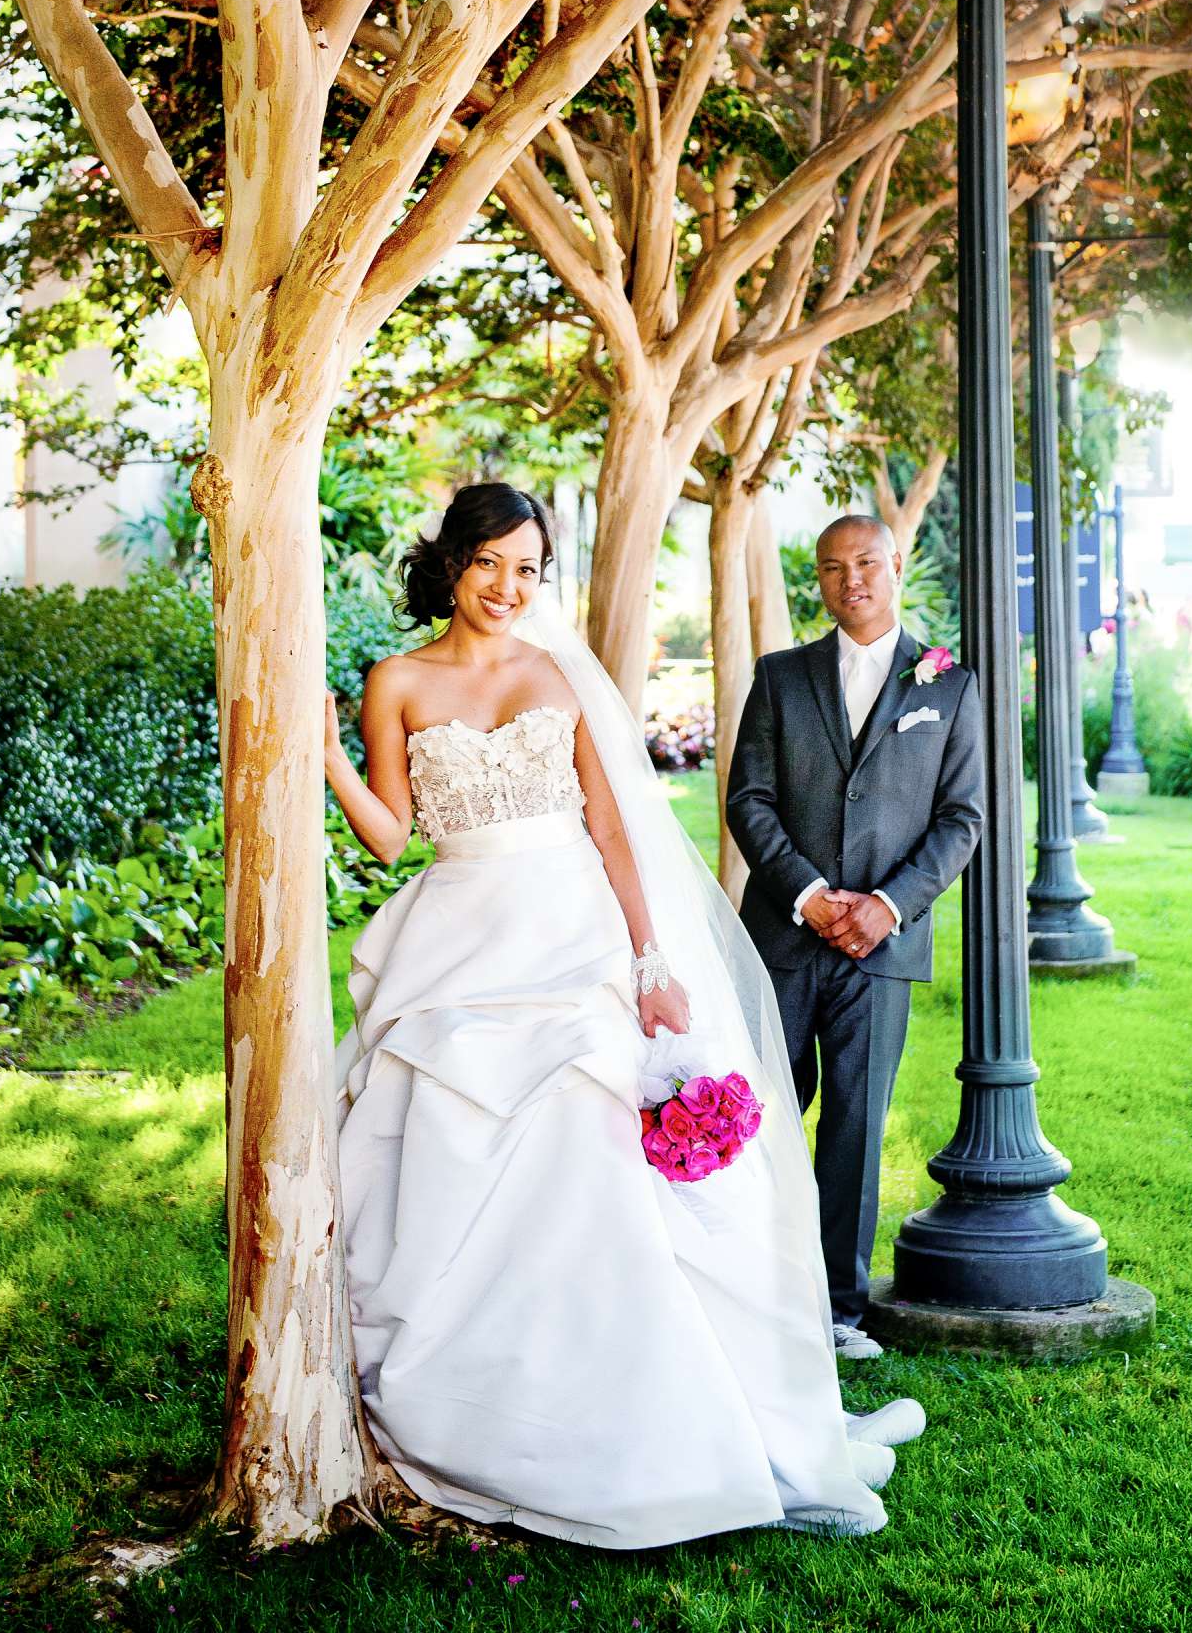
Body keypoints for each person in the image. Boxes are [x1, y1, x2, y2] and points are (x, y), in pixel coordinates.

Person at [325, 481, 926, 1550]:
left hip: (576, 938)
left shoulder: (554, 673)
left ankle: (680, 1416)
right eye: (490, 564)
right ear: (452, 562)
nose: (509, 588)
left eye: (528, 568)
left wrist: (649, 958)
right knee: (453, 1164)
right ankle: (493, 1398)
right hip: (459, 940)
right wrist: (323, 753)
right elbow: (386, 833)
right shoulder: (396, 680)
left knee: (598, 1165)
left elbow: (609, 826)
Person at [726, 514, 983, 1360]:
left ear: (896, 563)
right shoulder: (781, 676)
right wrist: (807, 893)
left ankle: (837, 1307)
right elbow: (748, 800)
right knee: (758, 1113)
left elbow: (961, 818)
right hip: (785, 938)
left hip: (884, 946)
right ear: (821, 581)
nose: (851, 580)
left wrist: (887, 904)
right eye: (833, 569)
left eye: (866, 562)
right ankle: (741, 1279)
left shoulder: (950, 685)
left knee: (854, 1126)